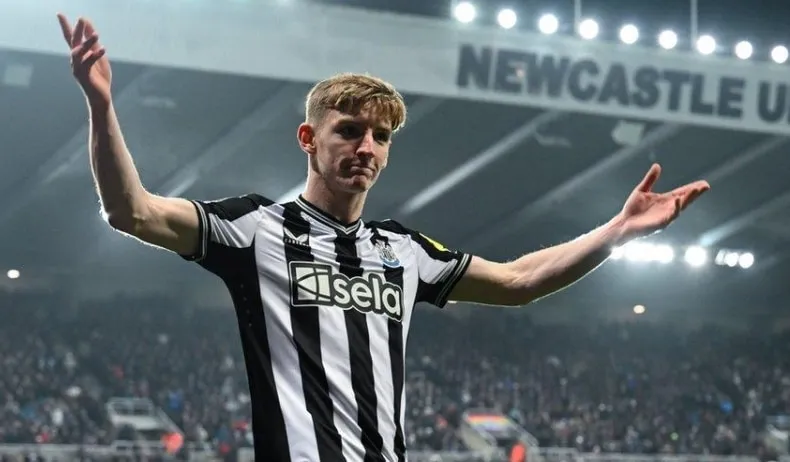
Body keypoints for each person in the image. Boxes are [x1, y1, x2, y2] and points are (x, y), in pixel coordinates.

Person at [56, 13, 710, 462]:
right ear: (309, 138)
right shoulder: (256, 229)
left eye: (380, 136)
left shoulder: (403, 252)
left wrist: (617, 231)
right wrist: (101, 104)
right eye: (348, 131)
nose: (365, 147)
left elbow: (519, 281)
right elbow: (131, 211)